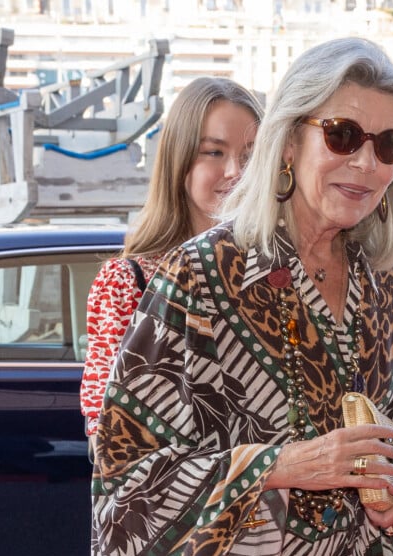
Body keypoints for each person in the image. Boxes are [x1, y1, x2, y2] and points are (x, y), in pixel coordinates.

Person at [91, 37, 393, 556]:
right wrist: (282, 465)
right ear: (290, 140)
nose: (366, 162)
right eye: (343, 136)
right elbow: (126, 474)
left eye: (389, 144)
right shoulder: (200, 276)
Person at [79, 76, 263, 448]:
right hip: (180, 502)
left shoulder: (276, 272)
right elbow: (108, 434)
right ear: (179, 161)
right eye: (214, 152)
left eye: (250, 155)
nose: (235, 172)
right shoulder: (127, 281)